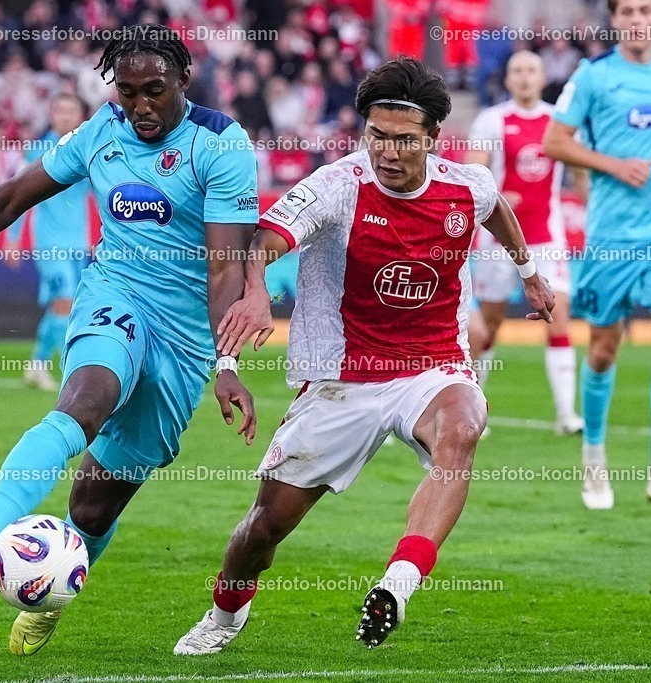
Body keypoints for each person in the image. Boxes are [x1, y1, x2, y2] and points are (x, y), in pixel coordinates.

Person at [0, 25, 260, 654]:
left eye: (154, 90)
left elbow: (225, 267)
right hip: (114, 298)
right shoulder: (102, 130)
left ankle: (51, 598)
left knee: (94, 507)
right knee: (85, 398)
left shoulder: (221, 144)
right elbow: (13, 196)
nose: (140, 107)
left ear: (183, 80)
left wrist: (228, 361)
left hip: (187, 344)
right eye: (127, 92)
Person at [173, 57, 554, 655]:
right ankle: (224, 612)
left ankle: (398, 584)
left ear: (432, 139)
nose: (388, 151)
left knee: (463, 426)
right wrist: (253, 291)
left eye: (404, 139)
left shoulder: (465, 186)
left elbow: (496, 208)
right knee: (263, 529)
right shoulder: (337, 186)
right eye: (376, 135)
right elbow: (267, 240)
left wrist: (529, 273)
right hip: (341, 379)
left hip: (431, 366)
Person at [543, 0, 651, 512]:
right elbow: (554, 141)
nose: (638, 18)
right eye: (628, 10)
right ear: (615, 20)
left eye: (647, 9)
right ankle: (594, 459)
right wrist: (612, 164)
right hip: (611, 235)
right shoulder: (593, 77)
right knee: (603, 350)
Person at [466, 51, 584, 436]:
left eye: (532, 69)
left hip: (547, 239)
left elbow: (580, 170)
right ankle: (473, 407)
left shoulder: (559, 122)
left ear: (543, 75)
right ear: (508, 79)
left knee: (558, 315)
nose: (525, 77)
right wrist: (497, 196)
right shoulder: (491, 120)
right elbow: (472, 177)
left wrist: (591, 202)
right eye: (517, 70)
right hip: (498, 241)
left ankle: (567, 414)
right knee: (490, 326)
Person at [5, 93, 94, 391]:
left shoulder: (87, 149)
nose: (66, 116)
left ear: (80, 115)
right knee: (65, 301)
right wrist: (13, 239)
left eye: (72, 111)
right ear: (52, 114)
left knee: (62, 307)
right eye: (60, 110)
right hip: (51, 245)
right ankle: (72, 371)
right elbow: (18, 196)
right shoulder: (38, 151)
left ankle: (37, 364)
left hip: (78, 244)